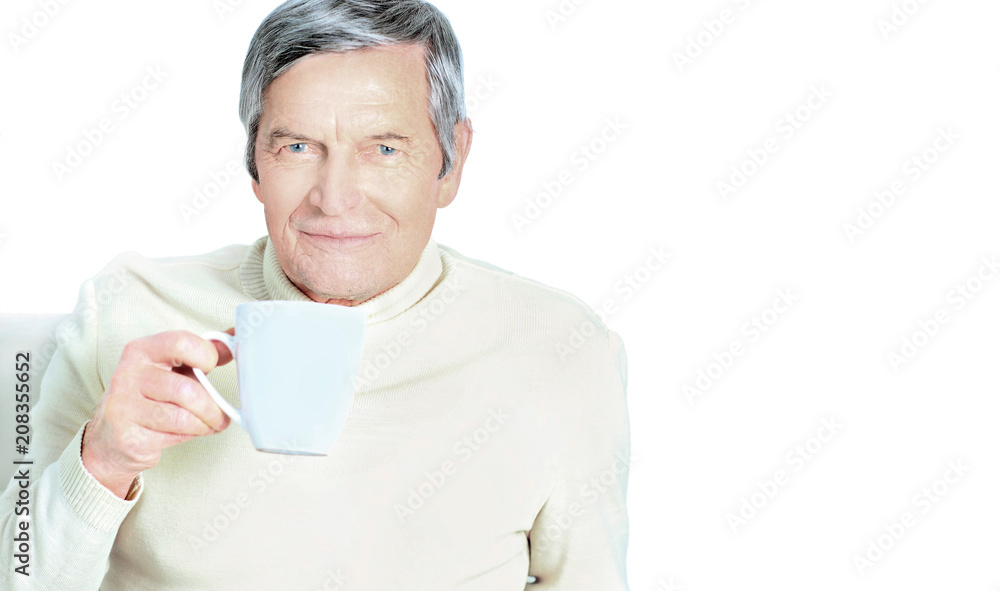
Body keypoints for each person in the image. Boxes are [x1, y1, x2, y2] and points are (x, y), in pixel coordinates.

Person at [0, 0, 631, 588]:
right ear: (254, 163)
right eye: (298, 147)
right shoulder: (127, 311)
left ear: (452, 160)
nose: (336, 197)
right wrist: (102, 464)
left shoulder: (559, 348)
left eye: (384, 148)